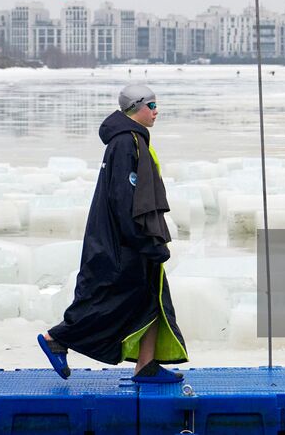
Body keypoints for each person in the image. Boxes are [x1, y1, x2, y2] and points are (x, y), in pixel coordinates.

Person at [39, 83, 187, 383]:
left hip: (133, 238)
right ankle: (57, 337)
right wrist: (143, 240)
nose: (157, 112)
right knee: (110, 301)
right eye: (152, 106)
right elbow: (124, 199)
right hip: (124, 242)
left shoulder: (134, 140)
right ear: (136, 108)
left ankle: (146, 366)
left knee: (152, 298)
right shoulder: (125, 143)